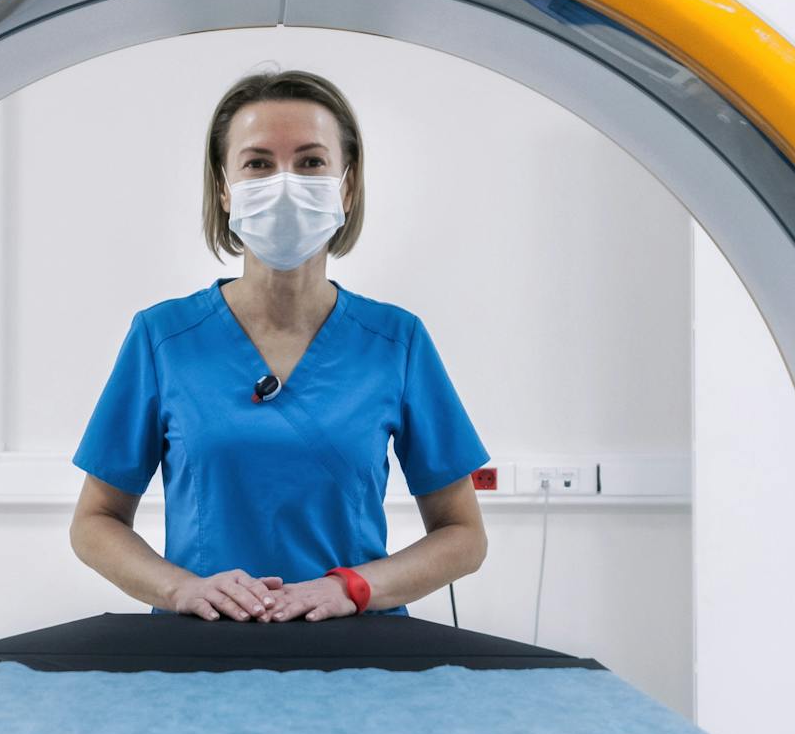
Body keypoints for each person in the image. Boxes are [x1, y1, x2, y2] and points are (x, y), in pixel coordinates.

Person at [68, 68, 490, 622]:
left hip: (357, 652)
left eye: (311, 162)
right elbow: (94, 522)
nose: (285, 182)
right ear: (224, 186)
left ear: (348, 183)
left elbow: (463, 536)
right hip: (203, 650)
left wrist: (353, 588)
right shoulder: (163, 339)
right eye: (259, 163)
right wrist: (179, 589)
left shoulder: (396, 341)